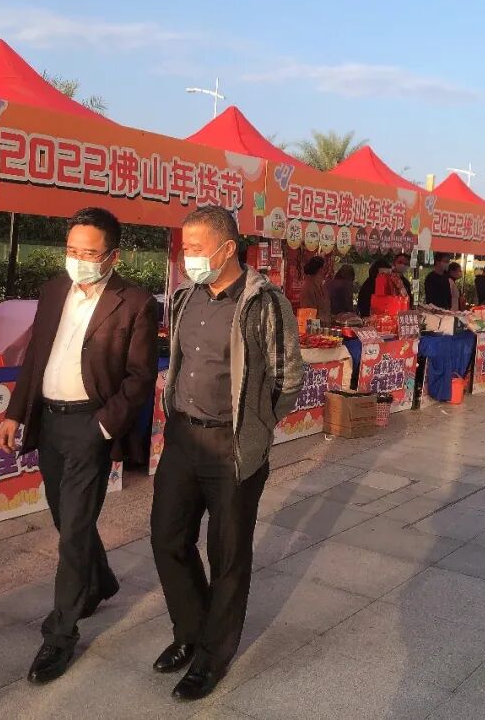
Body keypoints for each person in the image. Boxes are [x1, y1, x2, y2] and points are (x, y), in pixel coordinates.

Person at [0, 207, 158, 684]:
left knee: (73, 531)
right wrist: (14, 413)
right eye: (71, 250)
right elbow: (35, 359)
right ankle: (100, 580)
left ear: (112, 256)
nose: (78, 261)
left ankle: (61, 634)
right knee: (66, 518)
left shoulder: (135, 302)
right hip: (49, 422)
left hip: (91, 426)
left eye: (89, 253)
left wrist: (103, 427)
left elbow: (140, 377)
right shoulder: (52, 292)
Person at [151, 206, 303, 701]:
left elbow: (287, 379)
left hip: (232, 445)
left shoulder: (265, 303)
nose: (188, 257)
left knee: (228, 552)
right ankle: (190, 631)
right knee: (167, 538)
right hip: (182, 438)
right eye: (185, 248)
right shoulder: (184, 297)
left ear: (227, 248)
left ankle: (214, 656)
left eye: (196, 248)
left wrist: (257, 424)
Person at [298, 256, 331, 324]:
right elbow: (308, 314)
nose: (327, 270)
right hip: (313, 327)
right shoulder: (307, 287)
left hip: (323, 326)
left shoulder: (322, 286)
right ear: (320, 269)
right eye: (325, 268)